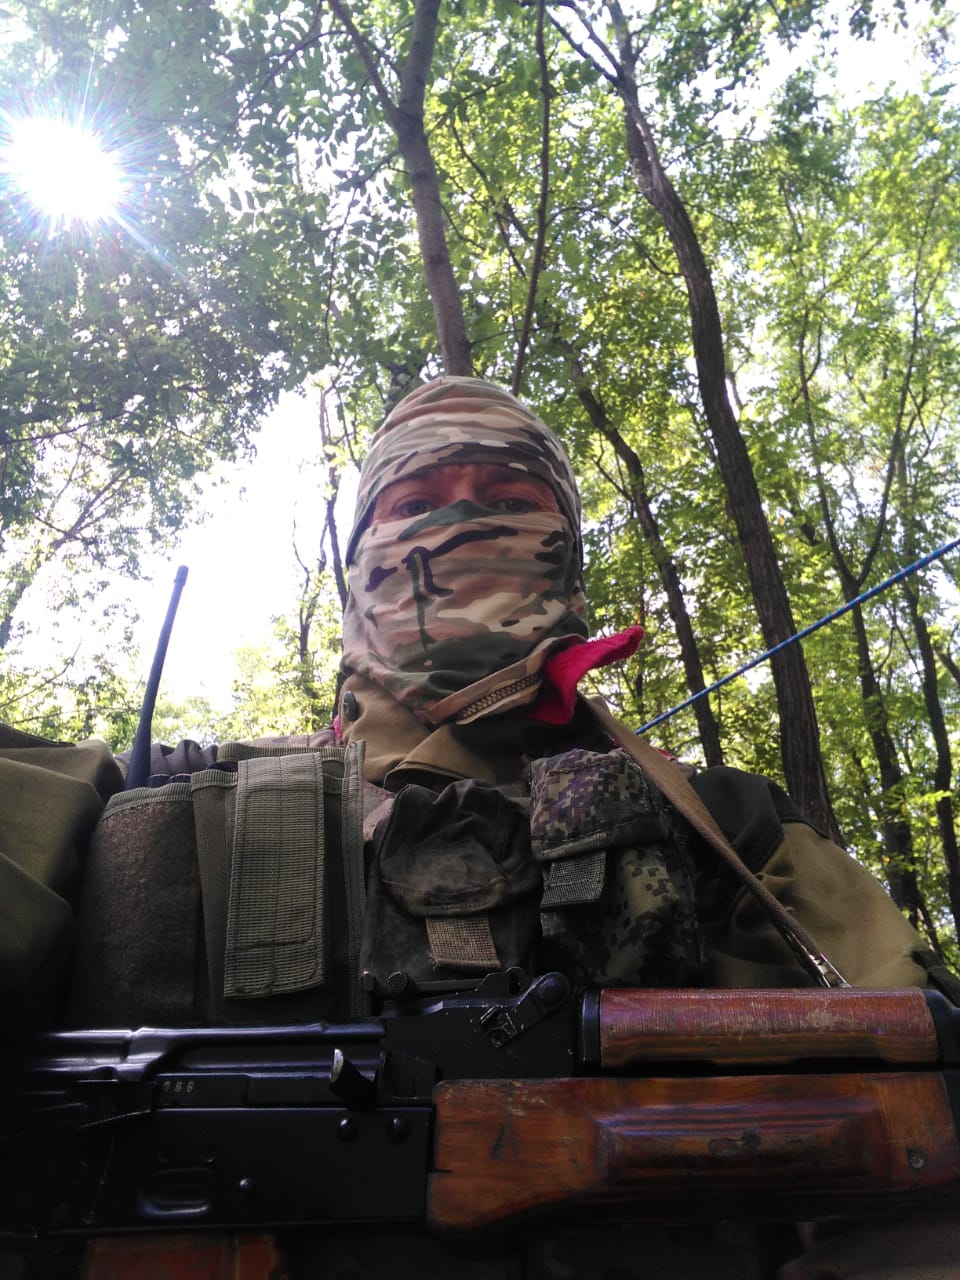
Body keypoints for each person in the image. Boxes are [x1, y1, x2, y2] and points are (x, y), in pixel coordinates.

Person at [30, 375, 959, 1277]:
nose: (464, 520)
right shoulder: (155, 799)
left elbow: (918, 1115)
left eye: (511, 499)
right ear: (358, 569)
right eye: (415, 502)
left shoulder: (727, 825)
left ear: (568, 557)